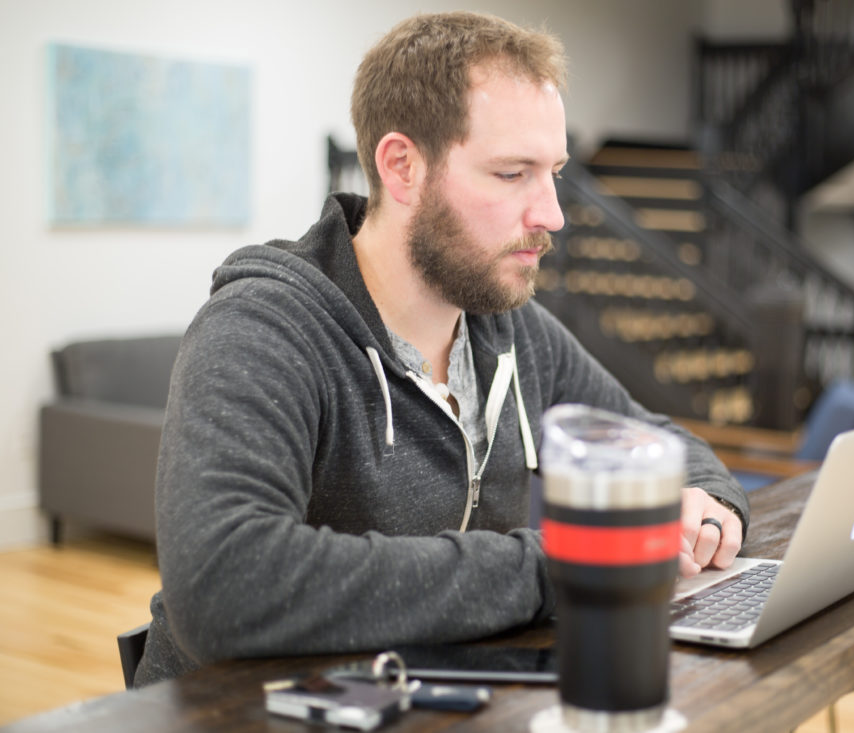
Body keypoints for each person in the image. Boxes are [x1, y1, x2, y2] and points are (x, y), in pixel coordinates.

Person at [134, 10, 748, 687]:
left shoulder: (510, 328)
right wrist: (558, 565)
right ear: (402, 166)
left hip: (431, 701)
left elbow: (655, 438)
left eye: (555, 173)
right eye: (513, 173)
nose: (552, 214)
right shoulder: (263, 328)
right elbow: (222, 584)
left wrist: (708, 501)